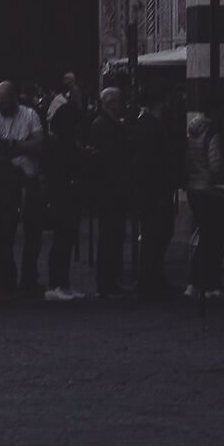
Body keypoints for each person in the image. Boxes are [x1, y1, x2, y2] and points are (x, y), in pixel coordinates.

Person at [0, 79, 43, 301]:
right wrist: (23, 145)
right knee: (3, 235)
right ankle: (4, 281)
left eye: (5, 102)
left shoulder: (30, 114)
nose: (1, 106)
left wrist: (11, 145)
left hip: (29, 177)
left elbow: (39, 144)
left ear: (15, 99)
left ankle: (28, 278)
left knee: (33, 233)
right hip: (4, 183)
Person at [41, 81, 89, 302]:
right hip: (63, 195)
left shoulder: (57, 142)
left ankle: (63, 283)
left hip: (64, 195)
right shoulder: (60, 145)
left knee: (66, 239)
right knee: (63, 239)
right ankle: (56, 283)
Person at [132, 93, 180, 300]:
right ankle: (149, 280)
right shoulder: (150, 126)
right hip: (154, 191)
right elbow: (153, 162)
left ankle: (152, 277)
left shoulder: (148, 124)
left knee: (157, 234)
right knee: (155, 234)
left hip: (154, 190)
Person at [88, 87, 133, 297]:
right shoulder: (105, 126)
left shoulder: (104, 124)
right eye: (119, 102)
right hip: (110, 189)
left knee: (113, 236)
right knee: (110, 236)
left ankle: (111, 279)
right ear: (110, 103)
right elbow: (109, 158)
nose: (121, 105)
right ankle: (107, 282)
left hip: (111, 188)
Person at [183, 107, 224, 299]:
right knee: (213, 237)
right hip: (209, 189)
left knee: (205, 235)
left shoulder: (193, 130)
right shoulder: (213, 132)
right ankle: (207, 282)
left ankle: (195, 283)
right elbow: (215, 163)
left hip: (194, 186)